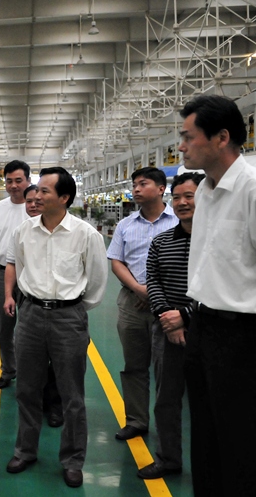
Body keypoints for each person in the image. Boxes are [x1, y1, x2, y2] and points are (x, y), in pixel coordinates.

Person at [3, 167, 108, 488]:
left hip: (68, 317)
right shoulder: (24, 231)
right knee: (27, 389)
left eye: (44, 191)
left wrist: (70, 309)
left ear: (64, 198)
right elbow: (21, 269)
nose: (36, 195)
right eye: (37, 190)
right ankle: (25, 450)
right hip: (31, 315)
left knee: (72, 394)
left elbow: (96, 283)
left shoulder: (86, 235)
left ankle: (73, 459)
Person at [177, 94, 256, 496]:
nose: (181, 146)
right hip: (204, 326)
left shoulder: (251, 189)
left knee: (240, 440)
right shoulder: (205, 191)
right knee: (205, 435)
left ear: (221, 137)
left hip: (243, 336)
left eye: (188, 137)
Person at [138, 172, 204, 480]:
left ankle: (213, 464)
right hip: (166, 330)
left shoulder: (216, 241)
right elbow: (153, 280)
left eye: (189, 196)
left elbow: (222, 285)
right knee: (166, 399)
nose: (182, 202)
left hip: (209, 329)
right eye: (177, 197)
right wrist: (169, 317)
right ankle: (168, 458)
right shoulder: (161, 241)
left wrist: (186, 316)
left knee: (211, 400)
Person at [106, 167, 177, 441]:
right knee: (134, 365)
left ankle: (167, 426)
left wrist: (156, 294)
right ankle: (136, 420)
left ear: (161, 189)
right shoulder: (125, 225)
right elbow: (116, 261)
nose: (135, 189)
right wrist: (138, 289)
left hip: (169, 303)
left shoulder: (178, 223)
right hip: (131, 302)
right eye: (134, 184)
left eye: (142, 183)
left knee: (166, 370)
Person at [4, 185, 64, 429]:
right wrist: (9, 295)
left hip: (61, 306)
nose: (33, 204)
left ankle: (55, 404)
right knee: (31, 357)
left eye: (37, 200)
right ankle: (35, 402)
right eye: (28, 201)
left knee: (57, 359)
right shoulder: (21, 232)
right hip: (30, 302)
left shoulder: (68, 232)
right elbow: (11, 264)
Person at [0, 160, 31, 389]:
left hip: (31, 274)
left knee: (31, 329)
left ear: (28, 181)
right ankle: (9, 370)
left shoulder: (36, 207)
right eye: (9, 181)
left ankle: (31, 375)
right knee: (4, 329)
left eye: (18, 180)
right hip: (2, 273)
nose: (13, 186)